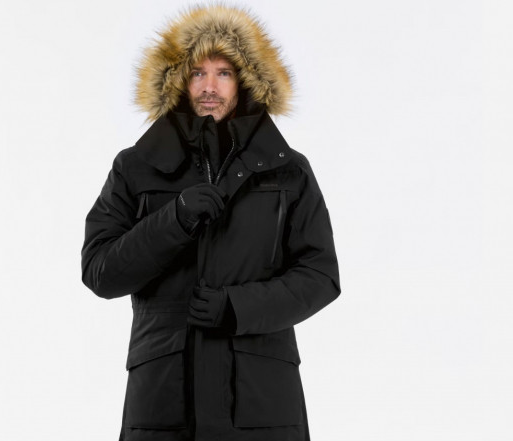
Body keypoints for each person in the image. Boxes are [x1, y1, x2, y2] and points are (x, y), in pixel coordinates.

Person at [80, 5, 340, 441]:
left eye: (223, 73)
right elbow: (100, 272)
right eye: (197, 72)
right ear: (178, 80)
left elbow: (320, 276)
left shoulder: (288, 170)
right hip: (164, 396)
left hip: (260, 398)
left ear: (246, 81)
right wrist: (174, 219)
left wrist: (239, 307)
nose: (209, 87)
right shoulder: (136, 166)